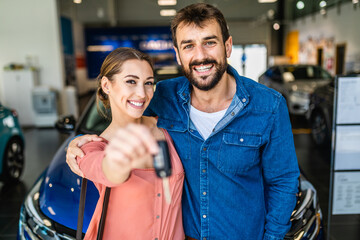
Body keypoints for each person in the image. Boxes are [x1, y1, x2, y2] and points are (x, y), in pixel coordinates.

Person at [67, 3, 300, 240]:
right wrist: (78, 144)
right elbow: (125, 110)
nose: (200, 56)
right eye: (189, 45)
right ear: (178, 54)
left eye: (210, 42)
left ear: (227, 46)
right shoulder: (162, 97)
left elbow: (283, 182)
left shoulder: (268, 106)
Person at [72, 47, 185, 240]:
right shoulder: (93, 147)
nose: (141, 93)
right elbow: (107, 171)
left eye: (148, 83)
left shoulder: (168, 128)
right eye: (131, 81)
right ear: (106, 85)